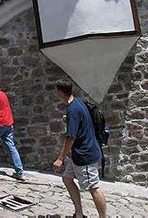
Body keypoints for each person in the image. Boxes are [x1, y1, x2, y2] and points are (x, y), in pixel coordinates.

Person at [52, 78, 107, 218]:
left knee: (93, 188)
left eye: (56, 90)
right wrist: (69, 120)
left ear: (59, 92)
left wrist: (60, 159)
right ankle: (79, 214)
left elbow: (71, 137)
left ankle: (104, 217)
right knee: (67, 179)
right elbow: (80, 121)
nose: (55, 93)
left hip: (85, 155)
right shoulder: (77, 103)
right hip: (77, 155)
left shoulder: (73, 109)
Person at [0, 82, 24, 180]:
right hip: (9, 123)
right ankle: (19, 171)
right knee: (11, 147)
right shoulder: (2, 94)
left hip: (0, 123)